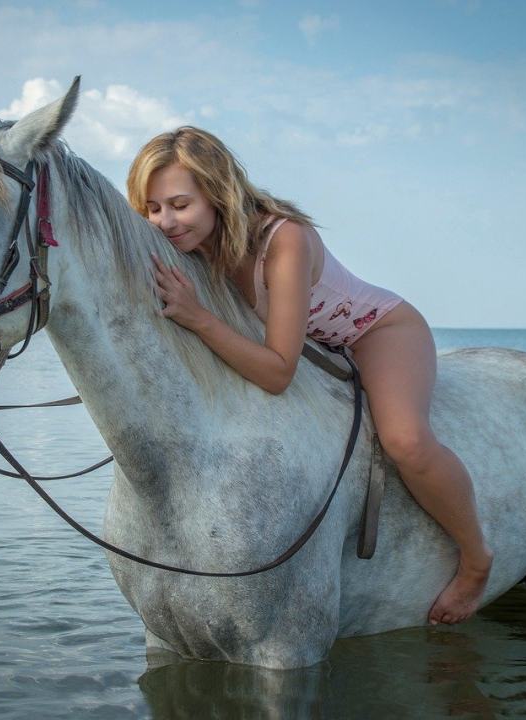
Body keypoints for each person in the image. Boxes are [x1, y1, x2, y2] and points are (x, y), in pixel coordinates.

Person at [126, 126, 493, 625]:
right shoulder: (188, 246)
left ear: (218, 193)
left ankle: (475, 560)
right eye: (152, 208)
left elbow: (278, 371)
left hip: (375, 332)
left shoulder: (283, 239)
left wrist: (198, 316)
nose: (165, 221)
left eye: (179, 204)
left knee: (405, 440)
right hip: (316, 347)